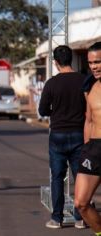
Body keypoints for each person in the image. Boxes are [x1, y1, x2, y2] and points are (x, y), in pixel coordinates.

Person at [39, 45, 86, 229]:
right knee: (80, 177)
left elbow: (43, 110)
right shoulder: (84, 80)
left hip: (57, 134)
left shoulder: (51, 84)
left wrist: (55, 111)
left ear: (56, 62)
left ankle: (56, 219)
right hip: (79, 133)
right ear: (72, 59)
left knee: (57, 177)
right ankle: (80, 218)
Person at [74, 41, 101, 235]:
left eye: (98, 62)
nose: (94, 66)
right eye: (91, 62)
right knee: (81, 203)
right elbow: (89, 120)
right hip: (93, 148)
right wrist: (86, 146)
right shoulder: (89, 86)